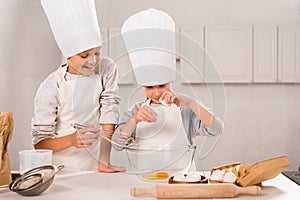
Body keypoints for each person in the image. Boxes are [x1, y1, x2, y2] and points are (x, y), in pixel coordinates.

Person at [112, 8, 223, 171]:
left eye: (162, 85)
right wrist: (134, 120)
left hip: (183, 181)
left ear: (171, 80)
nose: (156, 92)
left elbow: (216, 129)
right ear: (142, 86)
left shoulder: (186, 111)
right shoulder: (135, 111)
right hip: (147, 180)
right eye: (149, 87)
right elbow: (116, 144)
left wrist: (190, 102)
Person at [31, 0, 125, 173]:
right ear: (67, 55)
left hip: (94, 169)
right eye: (84, 56)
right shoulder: (51, 87)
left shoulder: (106, 68)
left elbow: (109, 113)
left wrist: (103, 162)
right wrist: (71, 140)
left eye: (97, 52)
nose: (93, 61)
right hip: (61, 172)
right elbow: (40, 143)